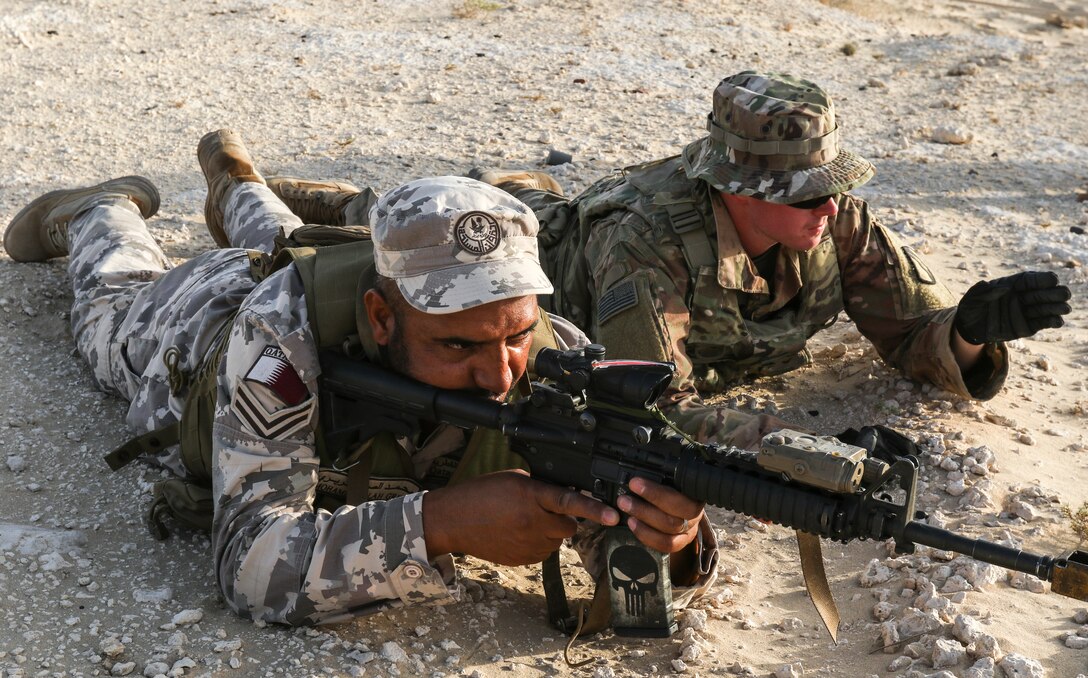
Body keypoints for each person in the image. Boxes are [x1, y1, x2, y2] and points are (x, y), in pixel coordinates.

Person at [2, 130, 716, 626]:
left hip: (334, 270)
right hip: (204, 323)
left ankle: (238, 188)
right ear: (381, 317)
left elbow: (609, 520)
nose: (500, 373)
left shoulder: (551, 349)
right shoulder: (276, 349)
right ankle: (101, 207)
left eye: (514, 333)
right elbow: (248, 564)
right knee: (110, 315)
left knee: (293, 244)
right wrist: (441, 524)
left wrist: (669, 543)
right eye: (460, 343)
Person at [264, 71, 1073, 446]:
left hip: (551, 209)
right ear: (733, 187)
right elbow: (650, 401)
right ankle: (261, 192)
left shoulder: (835, 218)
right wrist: (786, 442)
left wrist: (966, 332)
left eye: (830, 188)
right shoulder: (648, 243)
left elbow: (911, 337)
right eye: (801, 193)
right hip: (531, 243)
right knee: (391, 224)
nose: (826, 208)